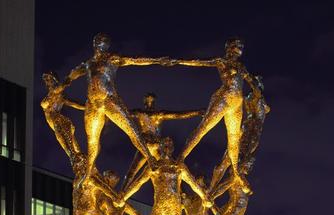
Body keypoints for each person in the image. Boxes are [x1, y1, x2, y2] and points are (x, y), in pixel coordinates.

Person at [63, 33, 171, 182]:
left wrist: (157, 60)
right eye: (100, 42)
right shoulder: (88, 64)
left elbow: (135, 60)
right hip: (93, 105)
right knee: (92, 141)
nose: (102, 44)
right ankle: (88, 172)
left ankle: (149, 158)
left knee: (131, 130)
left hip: (109, 100)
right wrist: (64, 83)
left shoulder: (111, 59)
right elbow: (73, 74)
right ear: (95, 44)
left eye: (105, 42)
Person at [170, 38, 258, 193]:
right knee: (203, 128)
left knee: (234, 139)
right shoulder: (221, 61)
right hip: (223, 98)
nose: (239, 49)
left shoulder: (241, 67)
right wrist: (178, 61)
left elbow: (253, 84)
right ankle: (181, 157)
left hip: (237, 102)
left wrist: (259, 95)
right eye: (237, 46)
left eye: (241, 47)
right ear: (229, 48)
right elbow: (199, 62)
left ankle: (236, 172)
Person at [123, 92, 202, 190]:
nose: (149, 102)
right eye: (148, 100)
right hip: (147, 146)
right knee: (133, 172)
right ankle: (122, 193)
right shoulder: (141, 113)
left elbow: (178, 115)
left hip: (153, 146)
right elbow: (121, 113)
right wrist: (197, 112)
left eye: (151, 100)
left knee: (171, 169)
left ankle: (180, 194)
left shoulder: (154, 114)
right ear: (145, 102)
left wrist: (197, 112)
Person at [40, 71, 85, 172]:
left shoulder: (59, 96)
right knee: (69, 141)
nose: (48, 82)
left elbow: (76, 104)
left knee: (68, 140)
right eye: (47, 81)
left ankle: (76, 157)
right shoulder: (51, 95)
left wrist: (88, 107)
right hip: (57, 122)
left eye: (50, 80)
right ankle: (77, 157)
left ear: (54, 81)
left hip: (59, 120)